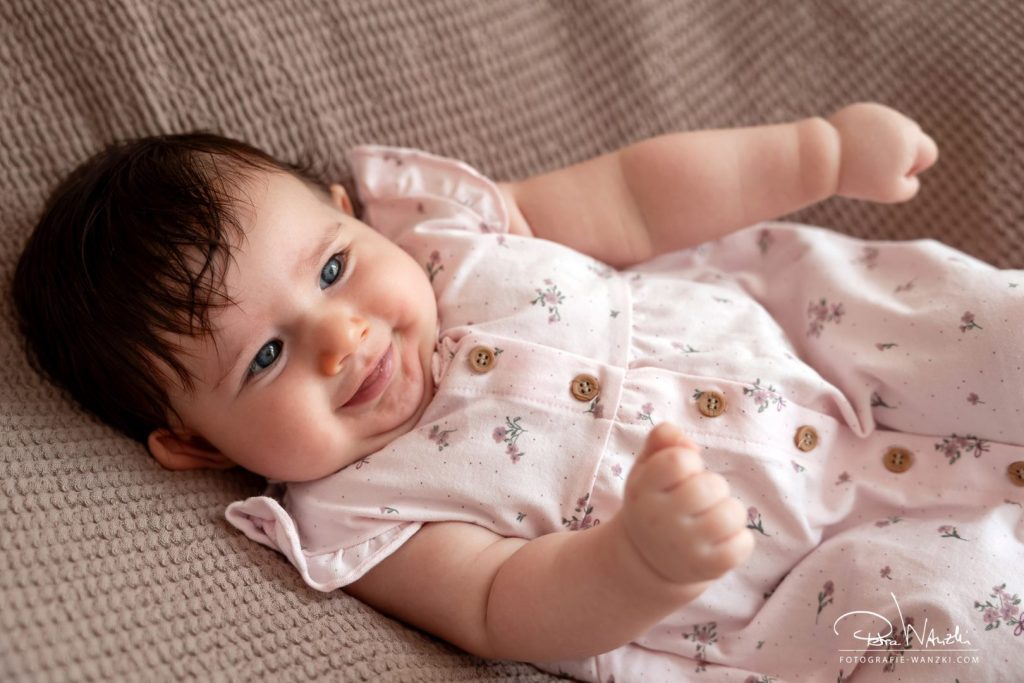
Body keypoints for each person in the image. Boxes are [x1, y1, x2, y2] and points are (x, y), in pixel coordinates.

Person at [14, 103, 1024, 682]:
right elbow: (503, 607)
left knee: (974, 328)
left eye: (329, 271)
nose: (343, 336)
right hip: (804, 577)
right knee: (951, 628)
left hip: (835, 349)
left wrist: (816, 153)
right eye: (266, 358)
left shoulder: (453, 235)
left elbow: (633, 196)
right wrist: (636, 561)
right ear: (194, 442)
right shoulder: (361, 516)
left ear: (344, 212)